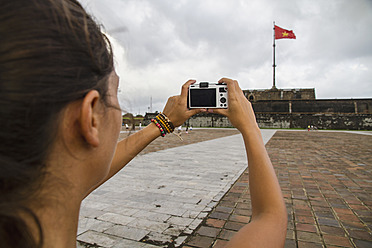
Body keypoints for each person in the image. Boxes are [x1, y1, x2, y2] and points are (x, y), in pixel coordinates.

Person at [0, 0, 287, 247]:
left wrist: (162, 123)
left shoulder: (26, 195)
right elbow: (269, 217)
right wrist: (250, 126)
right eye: (116, 93)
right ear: (89, 118)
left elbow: (73, 173)